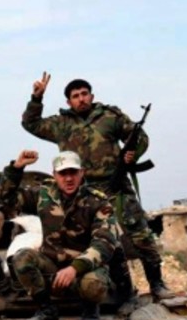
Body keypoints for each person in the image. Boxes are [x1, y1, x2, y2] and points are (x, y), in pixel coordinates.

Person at [21, 73, 174, 300]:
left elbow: (139, 137)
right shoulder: (61, 124)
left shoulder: (110, 117)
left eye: (84, 94)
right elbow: (30, 123)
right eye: (75, 96)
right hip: (81, 192)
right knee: (89, 240)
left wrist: (132, 155)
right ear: (68, 102)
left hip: (116, 186)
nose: (81, 99)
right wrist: (37, 98)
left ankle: (157, 284)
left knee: (140, 235)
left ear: (91, 96)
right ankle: (107, 289)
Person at [1, 151, 119, 320]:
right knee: (21, 258)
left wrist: (75, 268)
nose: (69, 179)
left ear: (82, 173)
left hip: (85, 267)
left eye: (73, 172)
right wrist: (16, 168)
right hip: (51, 263)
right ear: (55, 175)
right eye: (63, 174)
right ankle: (46, 309)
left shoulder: (98, 202)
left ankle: (90, 309)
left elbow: (104, 243)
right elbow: (6, 198)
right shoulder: (43, 194)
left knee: (93, 285)